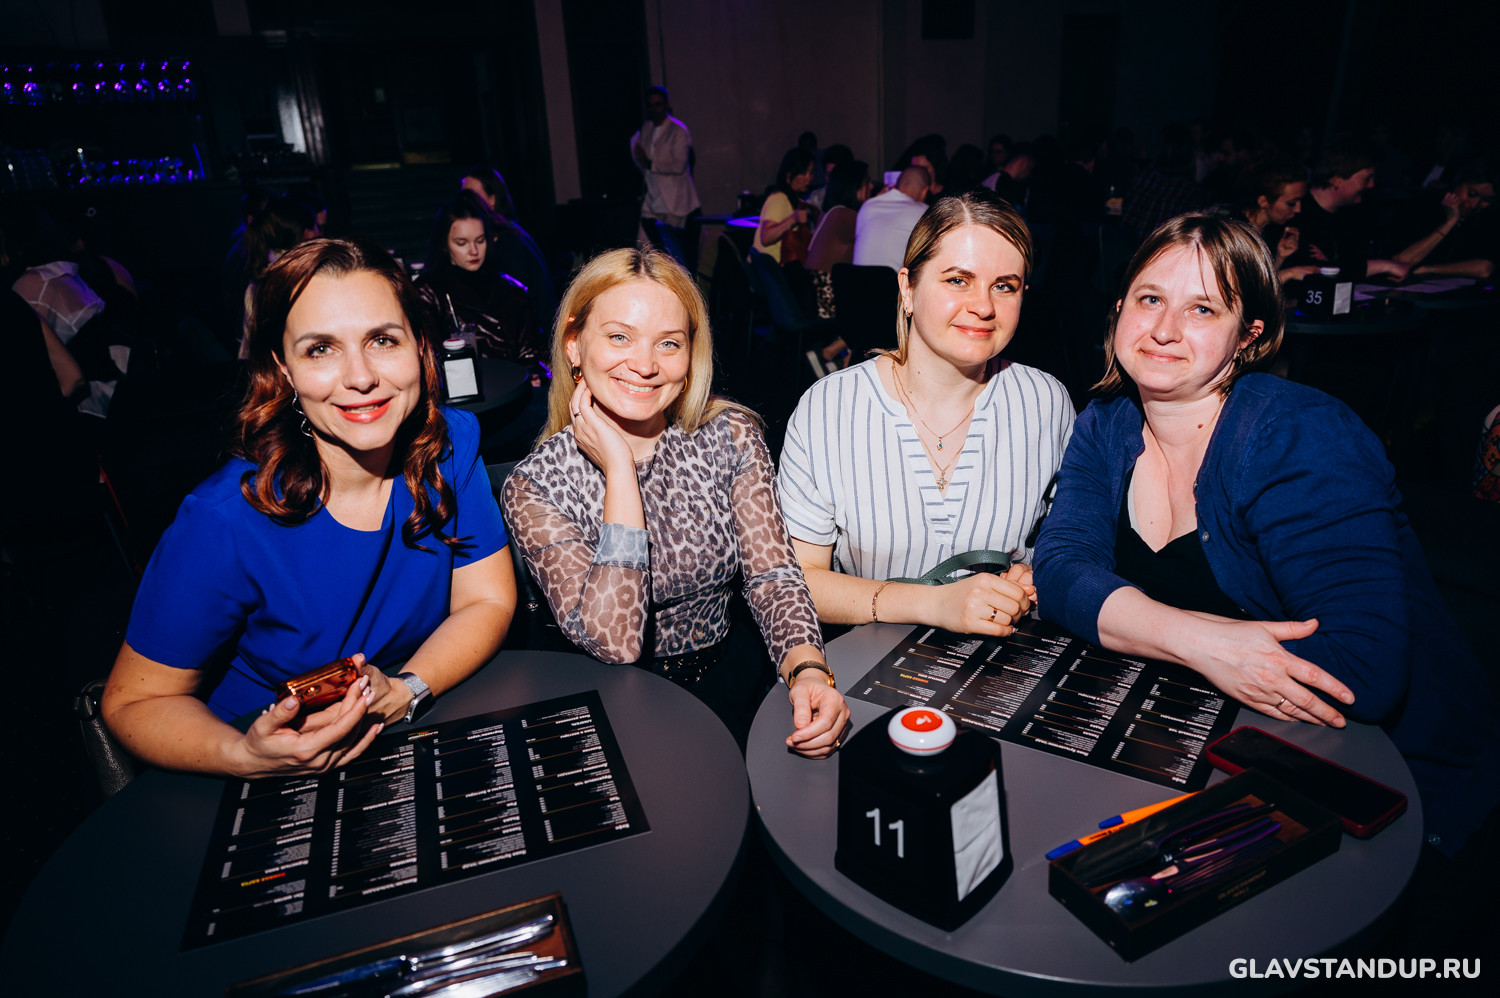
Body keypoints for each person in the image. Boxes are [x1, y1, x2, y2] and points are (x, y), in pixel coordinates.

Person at [1032, 213, 1499, 858]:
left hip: (1394, 791)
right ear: (1118, 312)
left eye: (1202, 309)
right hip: (1226, 745)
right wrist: (1201, 642)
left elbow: (1364, 670)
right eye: (1149, 299)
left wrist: (1136, 621)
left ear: (1248, 337)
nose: (1164, 329)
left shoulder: (1297, 435)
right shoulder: (1105, 422)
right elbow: (1060, 572)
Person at [101, 237, 517, 777]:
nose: (361, 377)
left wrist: (408, 688)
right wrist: (245, 755)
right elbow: (134, 703)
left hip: (403, 735)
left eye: (382, 340)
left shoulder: (450, 446)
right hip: (261, 765)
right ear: (284, 369)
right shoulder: (224, 518)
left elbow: (486, 601)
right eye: (321, 349)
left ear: (419, 345)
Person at [501, 247, 848, 755]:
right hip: (607, 704)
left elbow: (772, 575)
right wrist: (620, 471)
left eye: (668, 343)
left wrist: (808, 668)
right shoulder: (536, 484)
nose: (644, 365)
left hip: (728, 682)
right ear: (574, 345)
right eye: (619, 337)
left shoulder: (730, 436)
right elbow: (616, 641)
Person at [779, 190, 1075, 635]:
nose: (984, 306)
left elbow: (1071, 546)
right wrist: (933, 604)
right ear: (908, 289)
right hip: (868, 657)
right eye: (958, 280)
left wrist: (1039, 574)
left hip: (1002, 655)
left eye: (1004, 286)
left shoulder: (1045, 403)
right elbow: (798, 581)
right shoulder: (828, 409)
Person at [416, 191, 545, 371]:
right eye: (462, 243)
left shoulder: (512, 290)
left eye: (480, 240)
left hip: (517, 383)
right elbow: (430, 362)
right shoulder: (428, 292)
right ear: (444, 245)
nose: (473, 251)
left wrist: (533, 373)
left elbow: (533, 353)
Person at [1284, 134, 1409, 282]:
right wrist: (1384, 266)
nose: (1371, 185)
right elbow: (1311, 272)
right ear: (1336, 180)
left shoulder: (1351, 214)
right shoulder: (1296, 213)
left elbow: (1353, 263)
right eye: (1366, 179)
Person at [458, 166, 557, 323]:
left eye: (471, 196)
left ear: (492, 200)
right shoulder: (508, 234)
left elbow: (519, 308)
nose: (465, 203)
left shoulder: (507, 244)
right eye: (463, 196)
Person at [1391, 162, 1497, 280]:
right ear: (1457, 184)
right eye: (1472, 194)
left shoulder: (1487, 219)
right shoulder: (1422, 206)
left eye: (1487, 200)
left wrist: (1429, 269)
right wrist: (1450, 222)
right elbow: (1400, 262)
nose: (1474, 204)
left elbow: (1485, 269)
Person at [629, 86, 701, 230]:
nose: (654, 109)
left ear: (667, 105)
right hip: (652, 200)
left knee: (671, 243)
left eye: (658, 104)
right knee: (644, 241)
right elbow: (638, 152)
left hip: (674, 202)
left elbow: (679, 166)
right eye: (650, 105)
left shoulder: (678, 130)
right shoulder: (646, 128)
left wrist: (650, 164)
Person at [1239, 162, 1319, 283]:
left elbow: (1264, 279)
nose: (1298, 209)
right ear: (1264, 202)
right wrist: (1288, 274)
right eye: (1291, 203)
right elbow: (1246, 289)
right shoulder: (1234, 231)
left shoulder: (1271, 230)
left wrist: (1280, 257)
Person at [851, 164, 932, 271]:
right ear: (925, 191)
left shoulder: (867, 206)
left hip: (857, 279)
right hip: (893, 280)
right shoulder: (923, 212)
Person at [753, 148, 818, 266]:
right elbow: (766, 237)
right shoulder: (779, 198)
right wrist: (793, 219)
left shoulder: (796, 201)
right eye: (804, 173)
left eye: (811, 173)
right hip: (770, 271)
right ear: (789, 175)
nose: (809, 178)